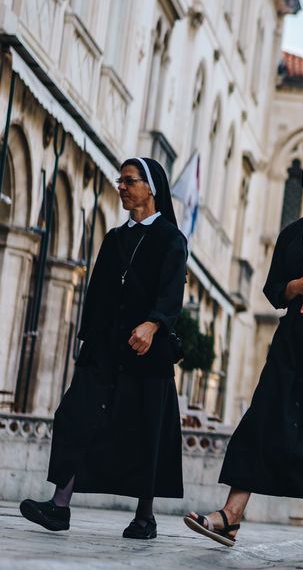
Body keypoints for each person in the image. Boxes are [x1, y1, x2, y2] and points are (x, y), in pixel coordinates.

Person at [183, 150, 303, 558]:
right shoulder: (291, 234)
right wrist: (296, 287)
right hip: (294, 341)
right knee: (263, 417)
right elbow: (271, 290)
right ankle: (231, 515)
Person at [19, 158, 187, 540]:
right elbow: (96, 295)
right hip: (105, 351)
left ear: (151, 188)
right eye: (120, 181)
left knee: (144, 431)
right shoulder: (114, 238)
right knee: (75, 418)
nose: (122, 187)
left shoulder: (171, 239)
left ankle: (145, 516)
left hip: (147, 353)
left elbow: (171, 292)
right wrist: (89, 344)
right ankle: (59, 507)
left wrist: (153, 323)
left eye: (129, 181)